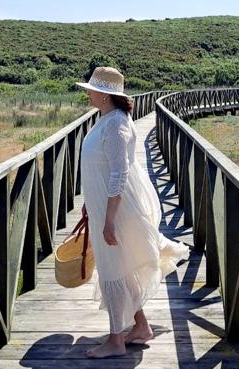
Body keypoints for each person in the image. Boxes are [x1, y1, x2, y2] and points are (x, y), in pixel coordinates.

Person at [76, 67, 190, 358]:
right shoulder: (108, 119)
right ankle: (140, 327)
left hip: (116, 210)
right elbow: (102, 169)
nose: (87, 92)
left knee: (113, 270)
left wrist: (109, 220)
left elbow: (118, 174)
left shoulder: (115, 124)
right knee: (121, 268)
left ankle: (115, 341)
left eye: (91, 89)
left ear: (105, 94)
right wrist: (90, 204)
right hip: (105, 206)